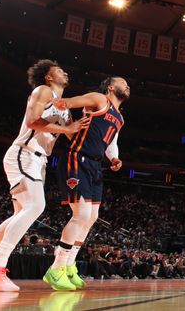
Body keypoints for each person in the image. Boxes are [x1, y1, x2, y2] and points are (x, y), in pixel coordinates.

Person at [0, 60, 87, 292]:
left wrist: (89, 122)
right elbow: (34, 121)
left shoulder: (64, 108)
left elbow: (75, 139)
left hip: (39, 160)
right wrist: (66, 129)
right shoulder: (43, 91)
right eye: (58, 69)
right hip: (25, 154)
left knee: (22, 212)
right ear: (48, 77)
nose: (64, 70)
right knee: (36, 206)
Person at [45, 77, 130, 290]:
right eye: (123, 82)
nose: (127, 86)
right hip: (77, 158)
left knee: (92, 217)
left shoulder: (119, 117)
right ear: (111, 87)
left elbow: (112, 144)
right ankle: (56, 268)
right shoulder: (99, 99)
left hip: (95, 165)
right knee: (81, 214)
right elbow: (67, 103)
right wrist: (66, 121)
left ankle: (69, 264)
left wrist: (114, 158)